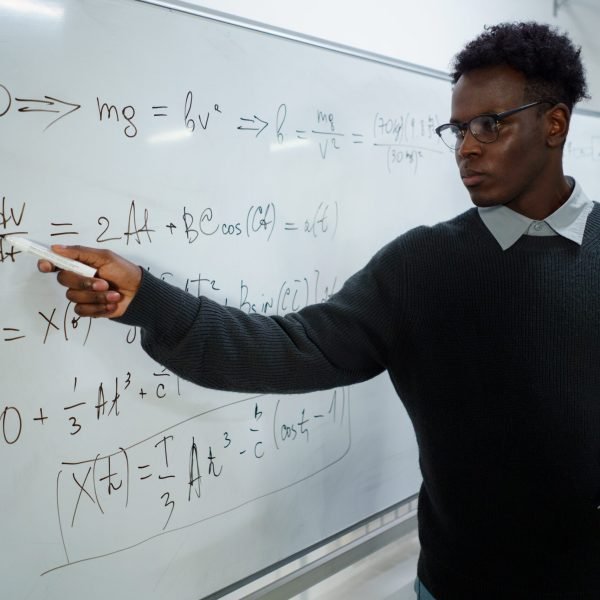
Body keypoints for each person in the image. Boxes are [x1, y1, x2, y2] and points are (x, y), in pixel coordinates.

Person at [39, 22, 598, 600]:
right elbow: (295, 347)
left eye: (490, 125)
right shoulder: (422, 265)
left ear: (553, 123)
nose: (466, 147)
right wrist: (150, 300)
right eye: (457, 129)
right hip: (461, 584)